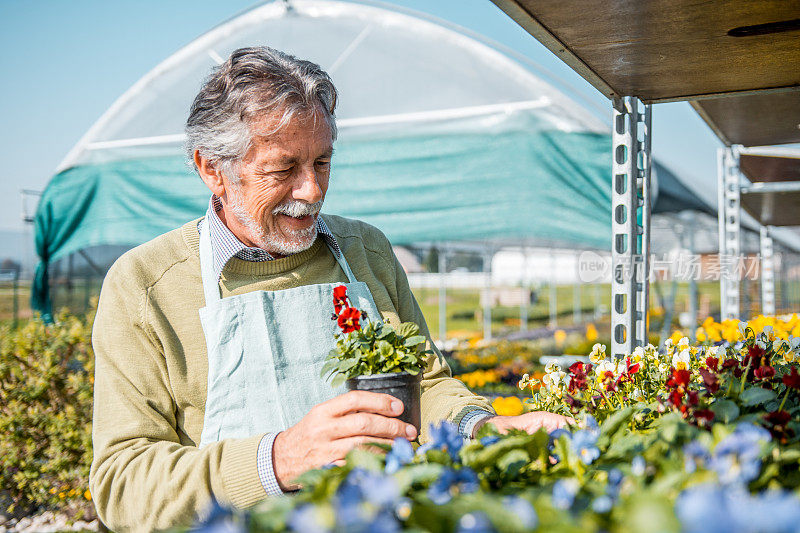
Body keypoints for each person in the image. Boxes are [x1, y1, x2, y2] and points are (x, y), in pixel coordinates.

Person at [88, 46, 570, 532]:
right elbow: (123, 483)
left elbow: (424, 384)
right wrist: (278, 460)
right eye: (284, 169)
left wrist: (480, 428)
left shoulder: (366, 252)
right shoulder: (145, 286)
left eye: (322, 162)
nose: (312, 190)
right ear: (212, 169)